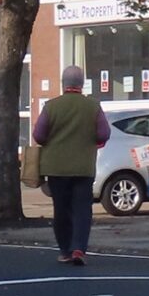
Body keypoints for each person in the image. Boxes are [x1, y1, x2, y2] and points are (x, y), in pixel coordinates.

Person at [31, 66, 109, 264]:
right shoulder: (93, 106)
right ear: (82, 83)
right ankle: (79, 249)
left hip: (56, 167)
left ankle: (65, 250)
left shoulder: (51, 106)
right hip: (83, 167)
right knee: (82, 209)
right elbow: (104, 134)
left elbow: (39, 135)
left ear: (63, 83)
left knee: (61, 209)